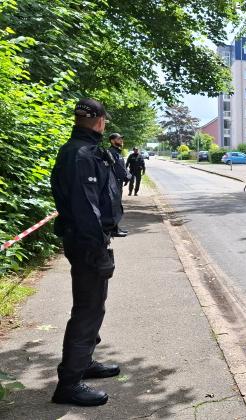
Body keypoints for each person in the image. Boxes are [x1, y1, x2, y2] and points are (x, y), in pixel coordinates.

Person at [50, 98, 122, 406]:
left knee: (94, 305)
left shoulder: (82, 150)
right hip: (86, 242)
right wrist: (98, 250)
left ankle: (84, 362)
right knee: (88, 308)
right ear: (101, 122)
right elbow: (85, 209)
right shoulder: (81, 154)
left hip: (88, 239)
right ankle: (69, 383)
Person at [108, 133, 128, 238]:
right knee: (114, 207)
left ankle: (116, 228)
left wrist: (127, 176)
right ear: (112, 141)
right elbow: (117, 168)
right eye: (118, 139)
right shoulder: (111, 152)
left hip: (118, 183)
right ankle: (114, 230)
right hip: (114, 183)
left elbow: (122, 167)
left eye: (121, 138)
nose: (121, 140)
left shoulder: (117, 152)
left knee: (117, 206)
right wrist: (126, 176)